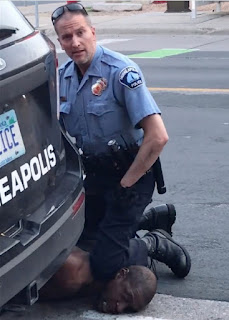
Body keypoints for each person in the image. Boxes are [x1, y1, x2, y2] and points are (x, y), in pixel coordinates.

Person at [51, 2, 191, 286]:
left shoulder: (121, 72)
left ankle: (154, 242)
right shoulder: (63, 77)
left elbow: (158, 137)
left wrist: (126, 185)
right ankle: (149, 219)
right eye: (67, 37)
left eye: (80, 32)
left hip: (132, 176)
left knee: (105, 264)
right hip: (95, 176)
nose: (75, 42)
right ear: (60, 41)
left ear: (92, 31)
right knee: (77, 240)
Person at [39, 247, 157, 314]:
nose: (119, 308)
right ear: (120, 275)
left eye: (128, 309)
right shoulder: (73, 274)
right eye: (125, 297)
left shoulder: (105, 288)